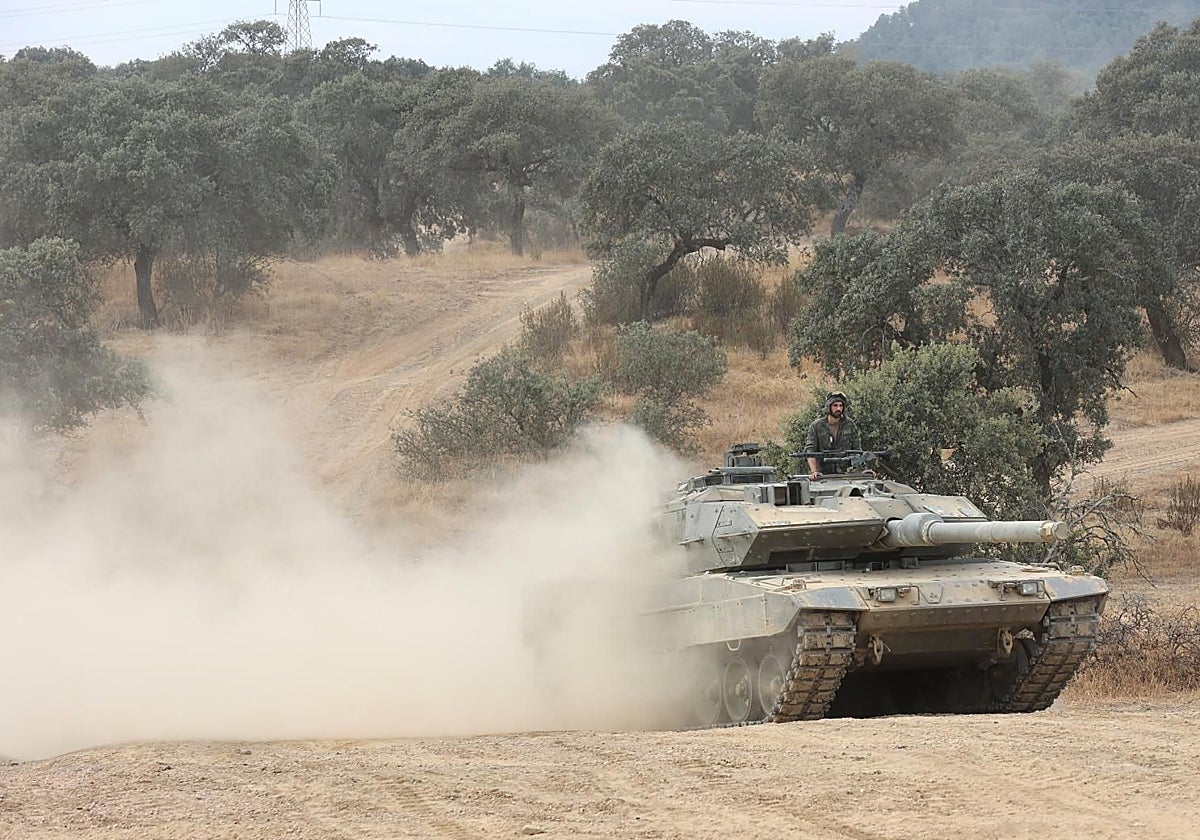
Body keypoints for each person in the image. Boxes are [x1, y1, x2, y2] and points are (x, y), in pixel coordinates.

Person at [804, 391, 861, 480]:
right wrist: (814, 471)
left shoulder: (850, 424)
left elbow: (857, 450)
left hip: (846, 474)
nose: (838, 408)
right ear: (829, 407)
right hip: (823, 475)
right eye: (835, 405)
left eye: (841, 406)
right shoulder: (816, 426)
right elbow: (810, 451)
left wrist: (862, 469)